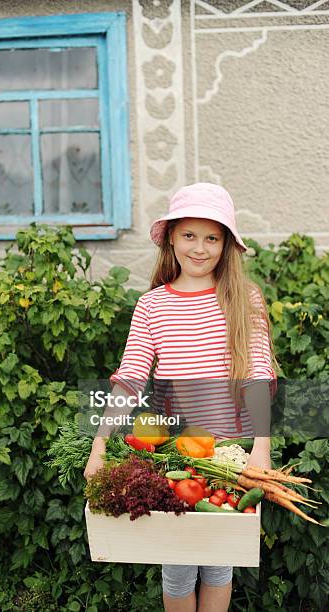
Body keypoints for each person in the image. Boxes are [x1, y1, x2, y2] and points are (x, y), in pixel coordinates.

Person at [84, 182, 279, 612]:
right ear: (171, 238)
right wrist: (99, 446)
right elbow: (130, 379)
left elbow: (257, 377)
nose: (200, 248)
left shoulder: (244, 300)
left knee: (218, 565)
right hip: (175, 455)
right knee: (176, 565)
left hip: (230, 454)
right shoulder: (152, 306)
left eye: (212, 237)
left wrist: (260, 450)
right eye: (189, 235)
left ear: (226, 244)